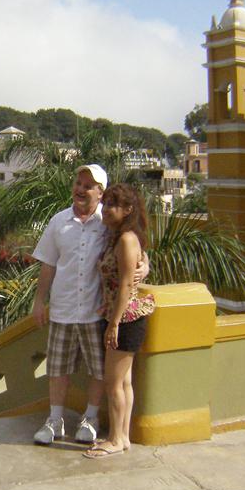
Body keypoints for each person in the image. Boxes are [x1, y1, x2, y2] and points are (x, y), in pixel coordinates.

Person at [31, 164, 148, 445]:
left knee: (98, 371)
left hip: (96, 313)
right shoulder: (58, 222)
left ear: (100, 192)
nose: (80, 190)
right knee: (58, 368)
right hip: (63, 308)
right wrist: (38, 300)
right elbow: (48, 265)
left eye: (88, 186)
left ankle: (91, 418)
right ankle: (55, 420)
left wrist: (145, 268)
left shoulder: (108, 223)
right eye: (78, 183)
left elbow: (134, 252)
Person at [84, 183, 155, 459]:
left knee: (113, 383)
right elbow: (137, 265)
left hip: (124, 318)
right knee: (124, 382)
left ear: (128, 210)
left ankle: (114, 439)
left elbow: (126, 285)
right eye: (106, 203)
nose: (106, 209)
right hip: (120, 315)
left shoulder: (126, 239)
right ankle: (122, 437)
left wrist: (113, 323)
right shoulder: (120, 236)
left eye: (113, 204)